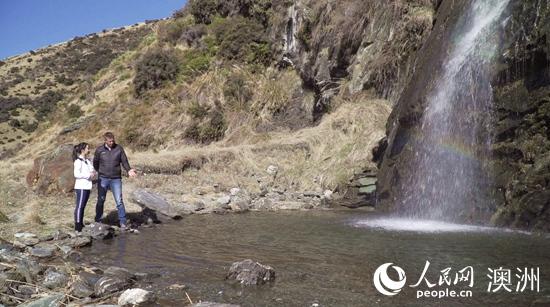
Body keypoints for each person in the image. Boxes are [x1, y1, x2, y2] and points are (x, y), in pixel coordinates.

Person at [93, 132, 137, 229]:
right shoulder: (99, 150)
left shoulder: (119, 148)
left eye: (113, 140)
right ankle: (98, 220)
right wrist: (99, 171)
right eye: (110, 141)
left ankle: (123, 222)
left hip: (116, 179)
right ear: (105, 141)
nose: (112, 142)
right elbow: (95, 162)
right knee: (101, 200)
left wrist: (129, 170)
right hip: (103, 178)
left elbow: (124, 161)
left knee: (119, 201)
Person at [73, 142, 96, 233]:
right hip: (81, 187)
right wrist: (88, 175)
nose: (89, 150)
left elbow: (92, 170)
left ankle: (81, 223)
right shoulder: (78, 161)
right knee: (79, 206)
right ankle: (77, 226)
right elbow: (76, 174)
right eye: (87, 148)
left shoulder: (87, 161)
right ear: (83, 150)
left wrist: (93, 173)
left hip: (87, 186)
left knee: (83, 206)